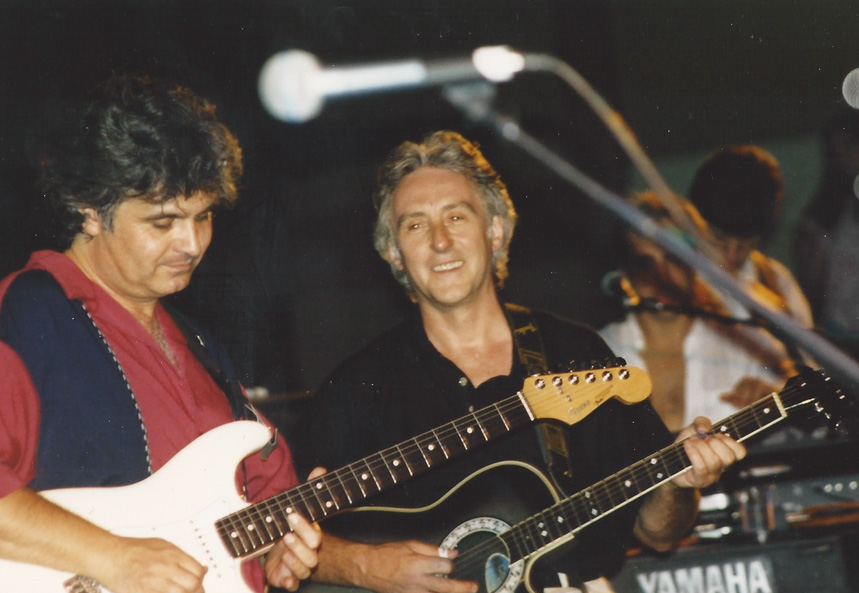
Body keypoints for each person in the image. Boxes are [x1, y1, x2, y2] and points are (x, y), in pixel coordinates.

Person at [293, 131, 745, 593]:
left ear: (494, 231)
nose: (441, 242)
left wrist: (681, 479)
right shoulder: (357, 388)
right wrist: (365, 567)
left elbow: (659, 531)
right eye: (414, 225)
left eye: (457, 216)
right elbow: (279, 536)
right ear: (394, 253)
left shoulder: (574, 354)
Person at [0, 75, 321, 593]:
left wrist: (277, 553)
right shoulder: (28, 316)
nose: (191, 243)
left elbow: (257, 504)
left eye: (204, 217)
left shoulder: (199, 343)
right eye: (162, 222)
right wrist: (113, 558)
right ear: (89, 213)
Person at [599, 192, 797, 432]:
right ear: (624, 273)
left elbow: (803, 434)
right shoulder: (600, 351)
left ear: (696, 263)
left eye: (674, 258)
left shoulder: (748, 344)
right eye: (645, 264)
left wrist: (777, 401)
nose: (663, 277)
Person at [687, 144, 812, 329]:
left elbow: (806, 356)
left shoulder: (778, 282)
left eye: (746, 243)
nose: (731, 254)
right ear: (695, 221)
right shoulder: (672, 280)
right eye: (719, 237)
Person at [792, 108, 859, 354]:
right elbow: (810, 285)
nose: (843, 155)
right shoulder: (824, 214)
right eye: (835, 149)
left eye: (850, 145)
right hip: (838, 336)